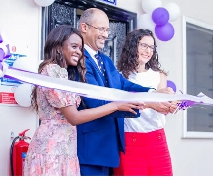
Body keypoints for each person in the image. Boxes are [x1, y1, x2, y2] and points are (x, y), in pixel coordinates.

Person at [23, 25, 144, 176]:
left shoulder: (62, 73)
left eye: (80, 48)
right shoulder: (53, 70)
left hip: (66, 148)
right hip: (52, 150)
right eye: (74, 46)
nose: (78, 52)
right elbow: (74, 117)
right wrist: (115, 105)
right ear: (59, 47)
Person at [76, 8, 175, 176]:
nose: (106, 35)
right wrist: (149, 102)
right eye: (101, 29)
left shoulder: (105, 60)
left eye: (107, 30)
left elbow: (124, 85)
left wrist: (155, 93)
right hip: (92, 148)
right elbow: (95, 101)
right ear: (84, 27)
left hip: (110, 149)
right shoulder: (78, 59)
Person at [113, 29, 175, 176]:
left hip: (157, 140)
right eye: (144, 46)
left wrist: (172, 106)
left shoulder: (159, 76)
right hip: (130, 141)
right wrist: (150, 103)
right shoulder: (119, 77)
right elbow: (120, 107)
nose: (148, 51)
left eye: (152, 47)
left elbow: (162, 107)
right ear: (133, 46)